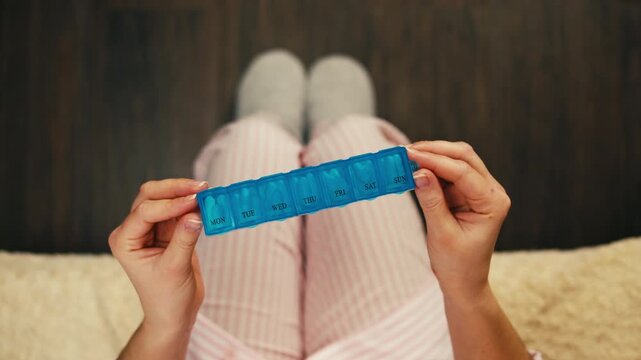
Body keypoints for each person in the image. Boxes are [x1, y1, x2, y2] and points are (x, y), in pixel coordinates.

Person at [109, 50, 539, 360]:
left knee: (255, 142)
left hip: (228, 350)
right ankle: (331, 125)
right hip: (401, 347)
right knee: (349, 139)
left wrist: (167, 321)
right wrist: (468, 291)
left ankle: (271, 124)